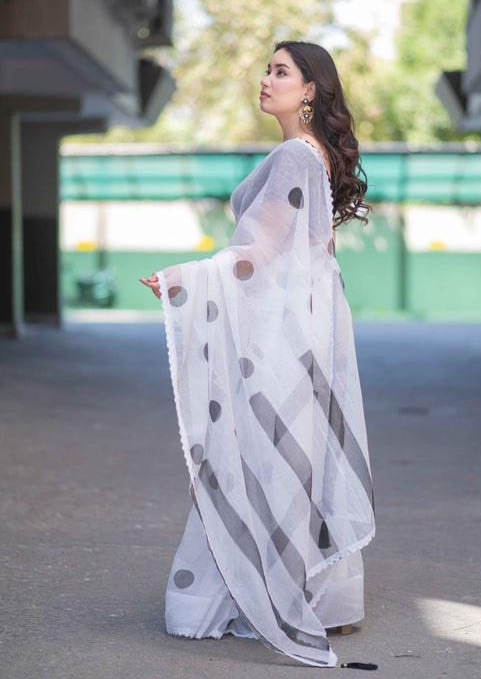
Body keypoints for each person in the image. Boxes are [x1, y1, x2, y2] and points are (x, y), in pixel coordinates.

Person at [139, 41, 376, 669]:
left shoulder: (294, 155)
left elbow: (262, 253)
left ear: (310, 90)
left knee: (256, 454)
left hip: (283, 333)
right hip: (308, 326)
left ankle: (254, 594)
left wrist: (185, 279)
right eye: (267, 70)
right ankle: (325, 597)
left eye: (281, 72)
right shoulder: (314, 154)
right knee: (297, 453)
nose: (265, 80)